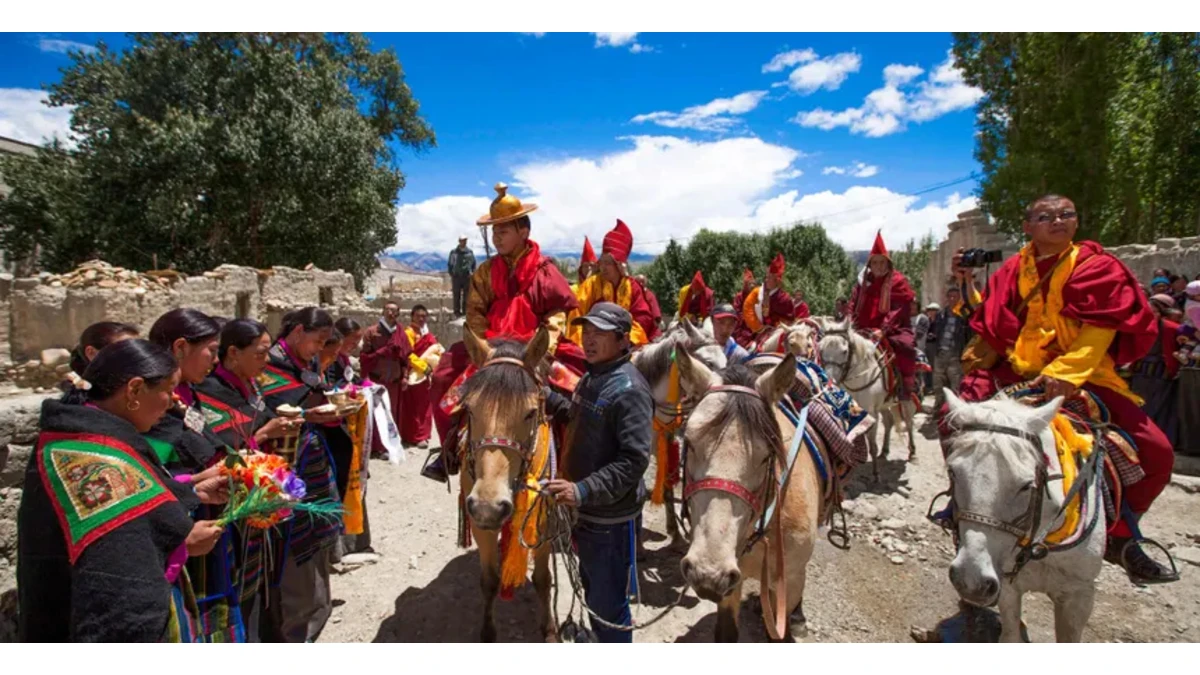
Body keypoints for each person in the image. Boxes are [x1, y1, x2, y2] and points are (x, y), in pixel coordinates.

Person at [947, 193, 1176, 583]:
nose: (1058, 220)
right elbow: (987, 316)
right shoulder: (1012, 271)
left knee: (1157, 451)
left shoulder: (1098, 267)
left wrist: (1065, 376)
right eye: (1046, 216)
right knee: (957, 416)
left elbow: (1099, 330)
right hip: (1017, 372)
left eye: (1066, 214)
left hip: (1083, 375)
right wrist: (965, 282)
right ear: (1028, 226)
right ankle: (961, 508)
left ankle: (1122, 537)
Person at [18, 339, 225, 641]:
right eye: (168, 389)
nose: (172, 402)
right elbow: (120, 572)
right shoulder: (92, 452)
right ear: (135, 390)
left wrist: (193, 491)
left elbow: (138, 493)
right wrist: (183, 541)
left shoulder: (79, 434)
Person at [424, 183, 582, 482]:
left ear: (523, 232)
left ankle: (576, 464)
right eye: (494, 232)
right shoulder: (485, 272)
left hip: (536, 347)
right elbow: (475, 312)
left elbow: (558, 313)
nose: (497, 238)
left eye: (503, 231)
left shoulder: (545, 270)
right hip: (491, 348)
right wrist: (483, 348)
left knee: (580, 386)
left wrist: (543, 348)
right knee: (445, 374)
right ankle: (448, 452)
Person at [544, 303, 652, 643]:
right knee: (593, 589)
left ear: (623, 340)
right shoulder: (595, 376)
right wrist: (545, 397)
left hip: (609, 520)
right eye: (586, 332)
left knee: (609, 606)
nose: (588, 341)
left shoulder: (630, 389)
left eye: (599, 334)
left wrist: (582, 490)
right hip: (591, 513)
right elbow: (580, 419)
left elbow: (633, 461)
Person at [147, 308, 250, 642]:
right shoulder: (154, 405)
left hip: (207, 522)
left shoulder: (186, 395)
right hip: (181, 533)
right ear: (179, 348)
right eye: (211, 350)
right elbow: (151, 476)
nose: (215, 360)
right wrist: (194, 483)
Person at [196, 318, 300, 635]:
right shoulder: (209, 393)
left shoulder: (250, 386)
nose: (266, 361)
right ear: (233, 353)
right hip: (227, 509)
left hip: (261, 501)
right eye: (260, 353)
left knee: (264, 586)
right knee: (240, 591)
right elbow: (216, 450)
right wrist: (265, 433)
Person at [259, 307, 347, 642]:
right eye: (317, 341)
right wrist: (312, 414)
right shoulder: (269, 367)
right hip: (287, 466)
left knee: (318, 533)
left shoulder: (303, 364)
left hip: (312, 458)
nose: (319, 349)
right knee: (297, 544)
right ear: (297, 332)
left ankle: (317, 609)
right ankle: (298, 625)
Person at [850, 232, 918, 400]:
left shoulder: (898, 281)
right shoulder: (863, 283)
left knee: (906, 347)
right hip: (863, 328)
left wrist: (883, 330)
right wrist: (849, 324)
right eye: (875, 262)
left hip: (893, 329)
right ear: (870, 264)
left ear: (888, 263)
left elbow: (898, 309)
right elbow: (853, 304)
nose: (879, 266)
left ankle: (905, 388)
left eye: (882, 262)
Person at [571, 219, 660, 346]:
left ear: (618, 265)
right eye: (602, 262)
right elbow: (576, 315)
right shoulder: (590, 285)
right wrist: (584, 343)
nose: (603, 267)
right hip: (592, 345)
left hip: (625, 345)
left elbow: (642, 319)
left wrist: (624, 342)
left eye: (608, 263)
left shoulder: (632, 287)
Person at [1129, 294, 1182, 448]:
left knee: (1161, 408)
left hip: (1162, 372)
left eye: (1154, 312)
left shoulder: (1172, 329)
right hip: (1141, 371)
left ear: (1161, 313)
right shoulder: (1140, 326)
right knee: (1140, 405)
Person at [359, 301, 411, 449]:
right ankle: (376, 446)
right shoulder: (372, 332)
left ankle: (389, 445)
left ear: (398, 314)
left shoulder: (400, 333)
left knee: (391, 414)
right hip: (377, 380)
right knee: (376, 414)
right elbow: (365, 358)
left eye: (394, 310)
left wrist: (405, 376)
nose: (390, 313)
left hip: (394, 381)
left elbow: (405, 358)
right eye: (387, 309)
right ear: (383, 311)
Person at [60, 321, 141, 402]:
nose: (137, 358)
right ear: (91, 353)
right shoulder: (84, 404)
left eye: (138, 350)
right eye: (124, 352)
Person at [401, 305, 438, 449]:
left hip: (424, 376)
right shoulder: (408, 333)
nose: (421, 319)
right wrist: (424, 367)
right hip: (412, 374)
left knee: (425, 407)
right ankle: (414, 436)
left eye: (424, 316)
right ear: (412, 316)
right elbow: (408, 354)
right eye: (418, 316)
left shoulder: (426, 333)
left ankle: (423, 435)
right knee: (412, 407)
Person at [739, 253, 796, 346]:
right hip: (758, 333)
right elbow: (747, 308)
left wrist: (776, 328)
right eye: (766, 277)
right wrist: (759, 328)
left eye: (769, 278)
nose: (766, 280)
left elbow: (790, 320)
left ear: (777, 281)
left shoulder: (785, 298)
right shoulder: (758, 292)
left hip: (779, 335)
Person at [930, 289, 971, 416]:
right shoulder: (941, 314)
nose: (952, 299)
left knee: (956, 384)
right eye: (950, 296)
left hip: (955, 354)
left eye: (955, 297)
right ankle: (938, 410)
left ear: (959, 299)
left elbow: (968, 334)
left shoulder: (964, 314)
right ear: (947, 298)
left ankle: (954, 412)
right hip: (941, 354)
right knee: (938, 384)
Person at [448, 236, 477, 318]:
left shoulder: (470, 252)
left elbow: (473, 264)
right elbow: (450, 263)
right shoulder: (454, 252)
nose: (463, 242)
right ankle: (457, 312)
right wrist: (451, 273)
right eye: (462, 241)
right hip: (456, 276)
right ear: (459, 241)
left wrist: (473, 273)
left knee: (466, 295)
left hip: (466, 276)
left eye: (465, 240)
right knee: (456, 295)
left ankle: (465, 312)